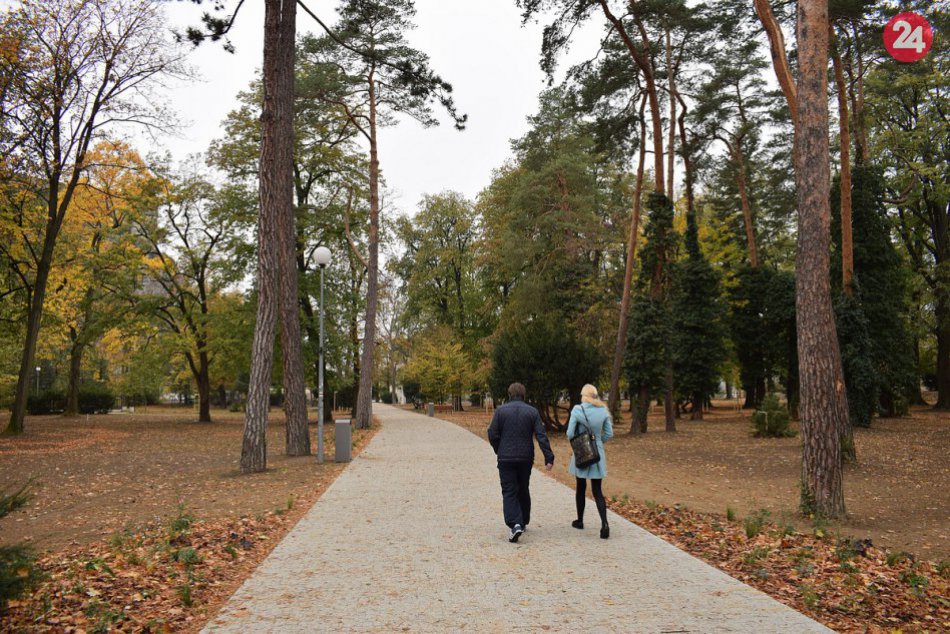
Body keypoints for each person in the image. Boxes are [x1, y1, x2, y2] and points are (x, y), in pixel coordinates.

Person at [487, 382, 554, 543]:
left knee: (509, 490)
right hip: (525, 457)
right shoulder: (532, 411)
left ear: (509, 394)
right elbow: (541, 435)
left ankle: (515, 523)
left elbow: (492, 433)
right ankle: (522, 520)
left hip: (506, 457)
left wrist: (499, 448)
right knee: (523, 487)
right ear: (524, 395)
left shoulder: (501, 411)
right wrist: (548, 457)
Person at [567, 384, 614, 539]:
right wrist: (598, 442)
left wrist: (580, 440)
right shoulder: (603, 411)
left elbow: (569, 433)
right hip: (597, 453)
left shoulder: (578, 410)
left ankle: (580, 521)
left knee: (580, 487)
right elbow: (609, 433)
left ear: (584, 396)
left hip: (582, 452)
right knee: (597, 491)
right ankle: (604, 524)